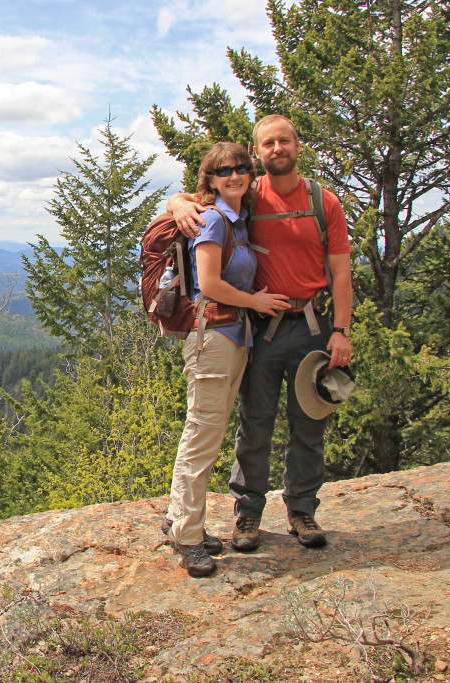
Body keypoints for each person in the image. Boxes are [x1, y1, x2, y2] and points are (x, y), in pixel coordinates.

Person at [167, 115, 353, 550]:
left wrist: (341, 330)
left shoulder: (323, 201)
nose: (277, 149)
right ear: (259, 152)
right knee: (255, 423)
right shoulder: (249, 198)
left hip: (312, 325)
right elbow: (201, 202)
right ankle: (247, 516)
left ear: (297, 145)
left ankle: (302, 511)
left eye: (284, 141)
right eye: (267, 144)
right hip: (260, 329)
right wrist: (176, 202)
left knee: (309, 421)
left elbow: (341, 274)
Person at [164, 142, 290, 577]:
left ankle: (180, 519)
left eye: (241, 167)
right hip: (214, 334)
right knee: (202, 433)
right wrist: (255, 300)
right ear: (210, 179)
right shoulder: (214, 219)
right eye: (224, 171)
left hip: (233, 335)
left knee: (206, 432)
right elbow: (212, 284)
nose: (235, 175)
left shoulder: (239, 216)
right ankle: (187, 535)